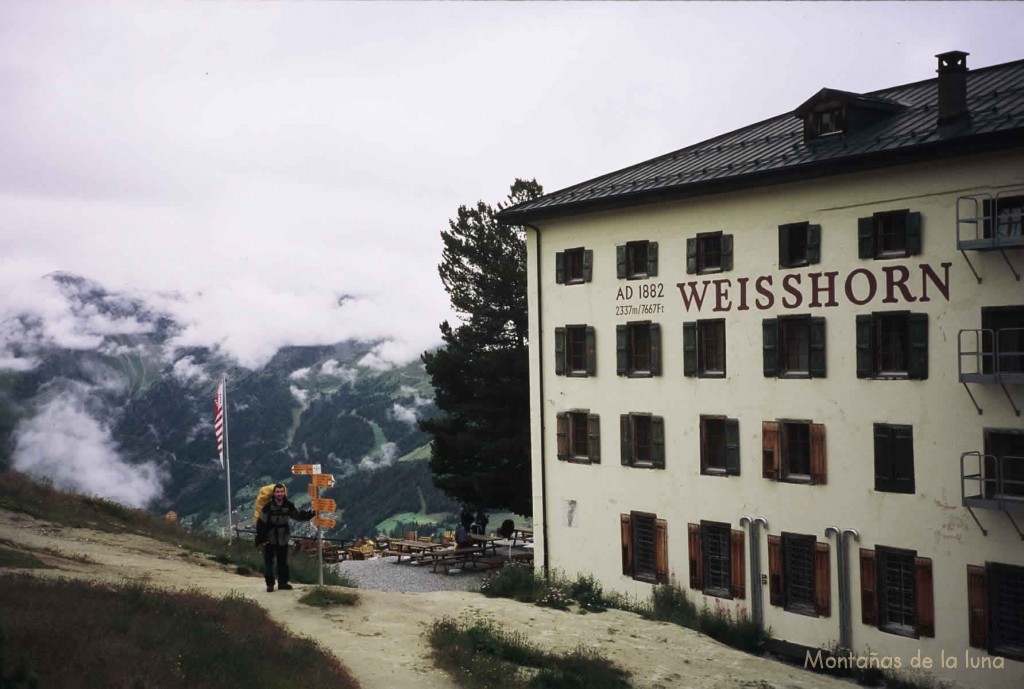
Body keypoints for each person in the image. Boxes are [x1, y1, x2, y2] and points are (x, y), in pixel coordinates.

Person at [254, 483, 313, 592]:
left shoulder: (288, 505)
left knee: (283, 562)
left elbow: (297, 515)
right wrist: (262, 539)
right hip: (269, 538)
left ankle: (283, 583)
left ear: (284, 492)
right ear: (274, 493)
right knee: (268, 563)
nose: (280, 494)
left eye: (281, 492)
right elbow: (261, 522)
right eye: (278, 492)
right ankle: (270, 585)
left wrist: (310, 514)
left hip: (283, 538)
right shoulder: (268, 506)